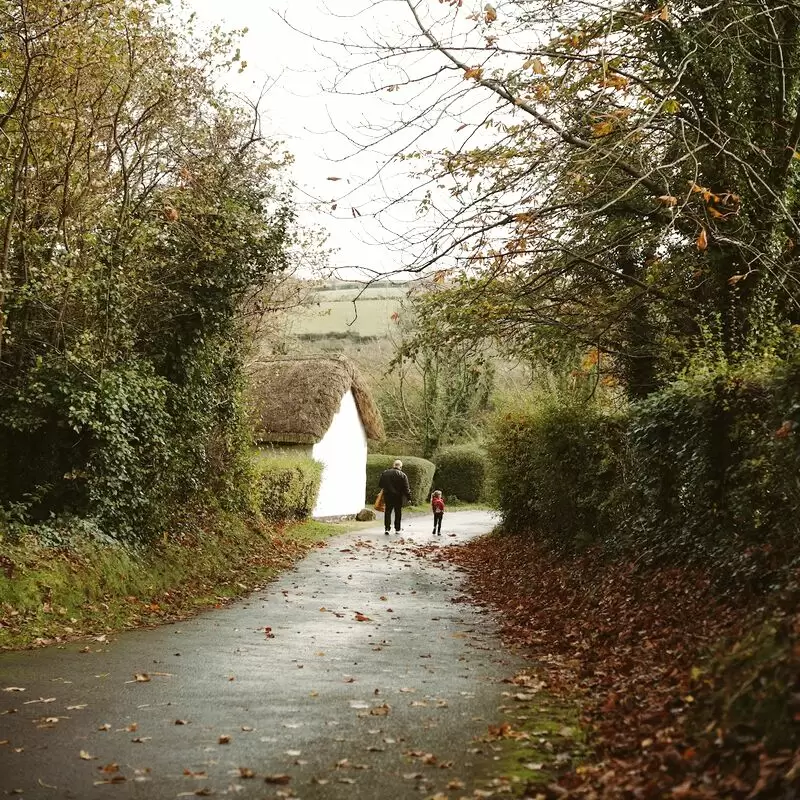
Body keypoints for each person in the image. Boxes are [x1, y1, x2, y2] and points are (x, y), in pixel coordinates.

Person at [378, 459, 411, 534]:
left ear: (393, 465)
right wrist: (408, 498)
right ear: (400, 466)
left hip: (388, 495)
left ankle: (387, 528)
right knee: (398, 512)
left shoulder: (385, 473)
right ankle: (397, 528)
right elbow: (406, 488)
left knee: (388, 511)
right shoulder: (403, 475)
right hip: (398, 497)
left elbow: (380, 484)